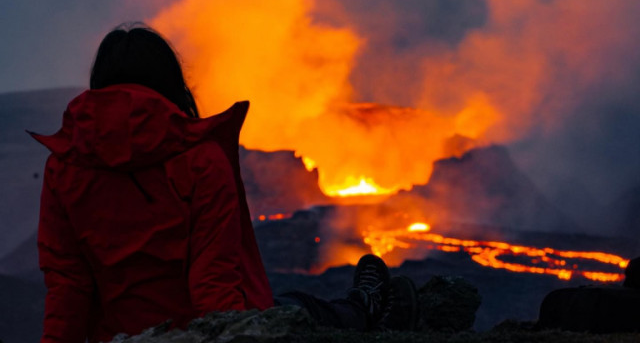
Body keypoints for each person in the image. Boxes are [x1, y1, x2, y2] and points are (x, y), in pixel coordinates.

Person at [31, 23, 417, 343]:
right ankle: (365, 309)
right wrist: (233, 332)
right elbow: (212, 279)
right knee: (298, 310)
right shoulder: (199, 160)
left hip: (119, 337)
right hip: (193, 332)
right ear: (170, 83)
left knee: (291, 302)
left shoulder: (63, 168)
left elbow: (68, 286)